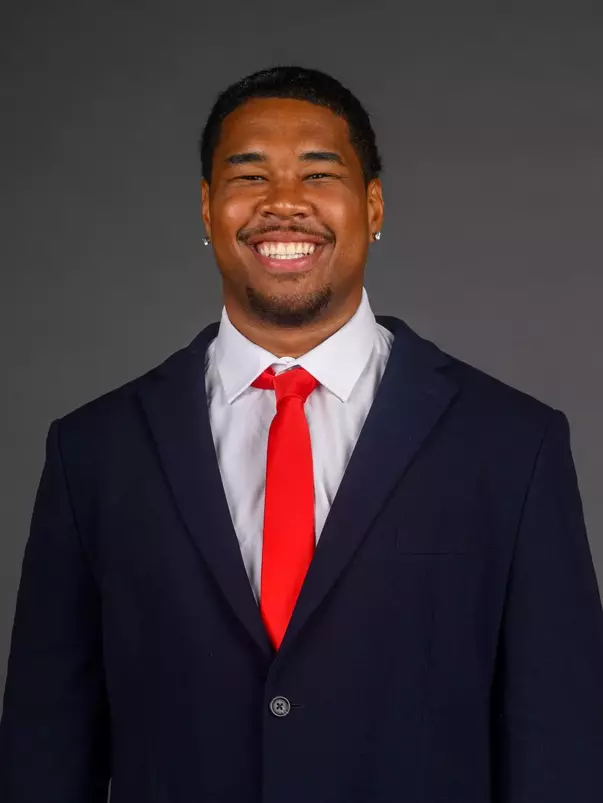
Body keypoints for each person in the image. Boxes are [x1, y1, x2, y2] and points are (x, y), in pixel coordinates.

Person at [1, 65, 602, 803]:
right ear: (205, 207)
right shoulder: (92, 451)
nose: (283, 203)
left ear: (372, 205)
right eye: (248, 176)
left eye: (318, 174)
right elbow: (44, 748)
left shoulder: (514, 446)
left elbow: (561, 750)